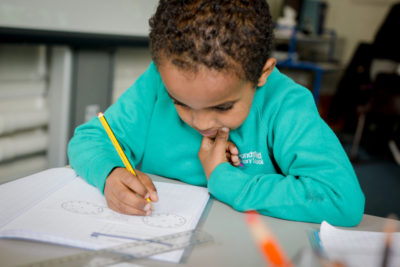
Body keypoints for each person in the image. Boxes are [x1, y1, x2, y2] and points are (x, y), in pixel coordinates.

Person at [68, 0, 365, 226]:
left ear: (262, 75)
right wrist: (110, 173)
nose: (201, 123)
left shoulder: (285, 104)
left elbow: (341, 199)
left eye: (223, 107)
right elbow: (90, 139)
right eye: (180, 102)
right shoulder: (155, 84)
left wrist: (223, 178)